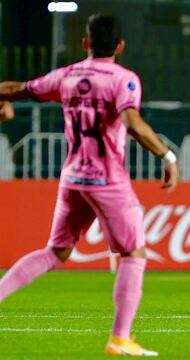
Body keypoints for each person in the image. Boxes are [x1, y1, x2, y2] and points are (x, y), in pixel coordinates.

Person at [0, 14, 179, 356]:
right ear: (121, 46)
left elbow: (20, 88)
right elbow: (133, 123)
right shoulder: (123, 80)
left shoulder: (67, 76)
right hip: (107, 179)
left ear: (85, 43)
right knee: (133, 253)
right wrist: (167, 157)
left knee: (56, 252)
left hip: (73, 178)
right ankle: (120, 338)